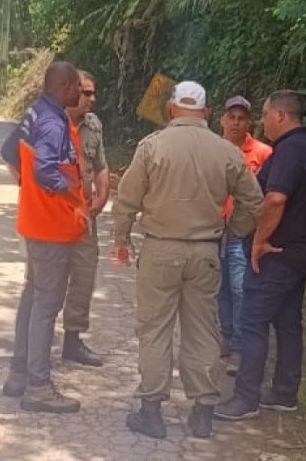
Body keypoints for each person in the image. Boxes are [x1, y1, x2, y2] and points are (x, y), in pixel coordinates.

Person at [111, 81, 264, 440]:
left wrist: (121, 241)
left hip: (160, 250)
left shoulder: (152, 147)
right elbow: (254, 202)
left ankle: (151, 412)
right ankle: (203, 414)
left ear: (172, 108)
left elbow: (127, 200)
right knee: (203, 329)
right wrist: (231, 231)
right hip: (206, 253)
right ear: (208, 113)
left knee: (154, 329)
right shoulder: (227, 152)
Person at [215, 90, 306, 421]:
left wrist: (259, 241)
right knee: (288, 322)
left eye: (264, 114)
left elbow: (276, 198)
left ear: (280, 115)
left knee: (252, 321)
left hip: (278, 253)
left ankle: (245, 398)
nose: (262, 121)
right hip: (303, 249)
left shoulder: (289, 151)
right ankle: (284, 392)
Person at [0, 61, 88, 413]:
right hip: (52, 228)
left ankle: (19, 373)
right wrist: (70, 193)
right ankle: (38, 386)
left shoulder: (35, 113)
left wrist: (30, 190)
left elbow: (9, 152)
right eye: (79, 89)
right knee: (47, 306)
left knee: (33, 298)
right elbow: (47, 170)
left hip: (35, 224)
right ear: (64, 86)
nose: (82, 95)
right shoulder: (53, 122)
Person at [217, 96, 273, 364]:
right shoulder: (211, 149)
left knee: (240, 288)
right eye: (232, 117)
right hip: (214, 229)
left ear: (249, 122)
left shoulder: (263, 153)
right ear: (222, 120)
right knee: (218, 288)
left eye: (242, 118)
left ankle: (239, 343)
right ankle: (226, 335)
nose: (237, 123)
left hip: (244, 232)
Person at [62, 71, 111, 367]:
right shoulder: (50, 123)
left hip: (84, 217)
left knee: (83, 277)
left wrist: (103, 197)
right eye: (87, 93)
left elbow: (101, 165)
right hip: (52, 216)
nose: (93, 99)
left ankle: (72, 341)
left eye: (94, 93)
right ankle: (34, 344)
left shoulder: (93, 126)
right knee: (46, 281)